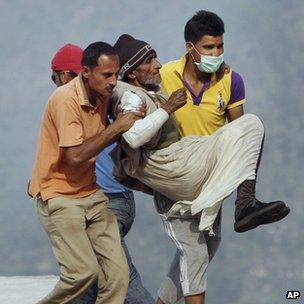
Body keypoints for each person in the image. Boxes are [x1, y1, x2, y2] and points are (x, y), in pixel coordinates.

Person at [109, 33, 290, 304]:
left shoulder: (153, 88)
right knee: (250, 124)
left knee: (203, 249)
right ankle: (245, 202)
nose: (158, 65)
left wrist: (217, 72)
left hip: (189, 172)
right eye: (150, 60)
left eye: (220, 47)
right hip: (180, 167)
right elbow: (134, 136)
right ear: (133, 72)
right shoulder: (130, 96)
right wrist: (168, 108)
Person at [28, 41, 146, 304]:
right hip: (60, 197)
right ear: (85, 73)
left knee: (117, 275)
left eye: (116, 74)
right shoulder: (64, 100)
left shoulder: (104, 95)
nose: (114, 81)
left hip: (91, 194)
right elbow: (75, 157)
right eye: (107, 75)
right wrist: (118, 128)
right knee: (82, 274)